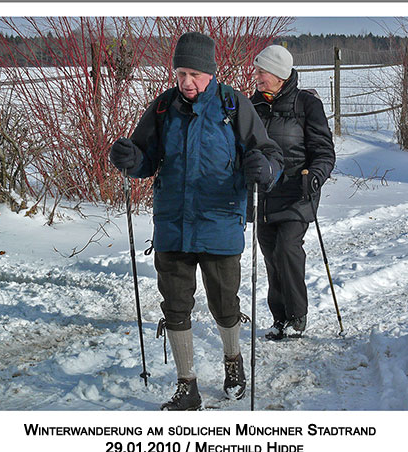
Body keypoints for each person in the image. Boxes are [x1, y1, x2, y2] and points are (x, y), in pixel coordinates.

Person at [109, 32, 285, 410]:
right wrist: (129, 157)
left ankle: (233, 362)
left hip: (219, 224)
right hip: (172, 226)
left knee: (224, 304)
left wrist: (263, 167)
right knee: (175, 306)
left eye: (194, 74)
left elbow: (270, 154)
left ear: (210, 73)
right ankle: (186, 385)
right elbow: (144, 159)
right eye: (180, 73)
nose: (186, 82)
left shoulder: (233, 105)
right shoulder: (162, 108)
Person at [250, 45, 336, 341]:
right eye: (257, 70)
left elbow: (324, 151)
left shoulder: (306, 105)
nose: (257, 76)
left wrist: (315, 176)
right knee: (271, 255)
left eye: (261, 71)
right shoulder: (254, 106)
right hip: (265, 193)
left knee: (287, 248)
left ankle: (297, 316)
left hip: (297, 190)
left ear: (278, 75)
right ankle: (279, 317)